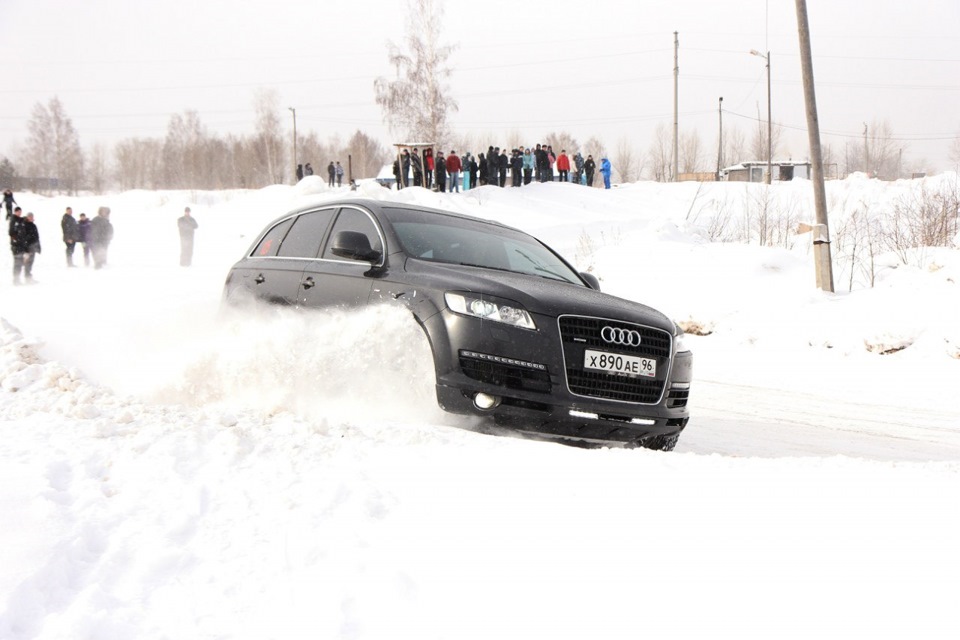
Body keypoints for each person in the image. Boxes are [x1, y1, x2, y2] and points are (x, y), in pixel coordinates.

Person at [12, 212, 40, 285]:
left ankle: (28, 278)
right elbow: (23, 238)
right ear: (27, 217)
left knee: (29, 264)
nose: (31, 218)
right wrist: (26, 249)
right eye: (29, 216)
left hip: (33, 248)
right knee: (21, 264)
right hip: (26, 248)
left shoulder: (33, 225)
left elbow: (36, 237)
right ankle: (17, 280)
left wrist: (38, 247)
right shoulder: (24, 225)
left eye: (32, 216)